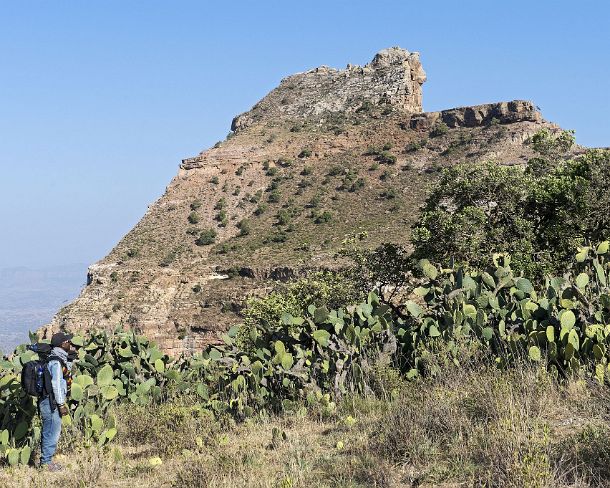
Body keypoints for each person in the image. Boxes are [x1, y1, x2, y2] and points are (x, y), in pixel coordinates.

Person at [39, 332, 75, 471]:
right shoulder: (56, 361)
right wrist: (61, 404)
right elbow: (57, 384)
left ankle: (46, 461)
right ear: (62, 344)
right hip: (51, 401)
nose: (70, 344)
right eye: (68, 342)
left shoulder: (57, 358)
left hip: (48, 399)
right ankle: (46, 464)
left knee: (49, 429)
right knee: (52, 431)